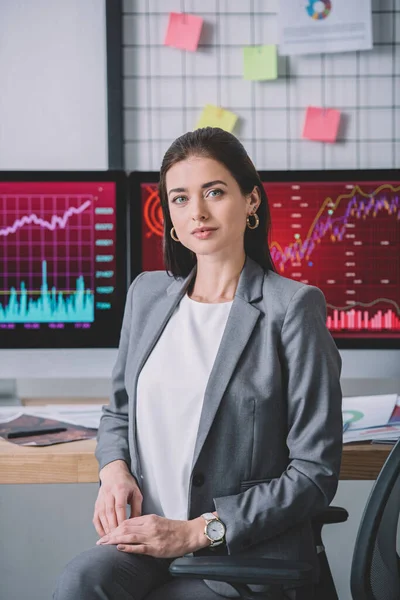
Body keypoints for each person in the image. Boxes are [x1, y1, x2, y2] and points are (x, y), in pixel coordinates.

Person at [53, 127, 343, 600]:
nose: (198, 212)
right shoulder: (146, 295)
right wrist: (114, 470)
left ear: (251, 201)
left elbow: (314, 474)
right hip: (148, 540)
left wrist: (196, 532)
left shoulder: (293, 308)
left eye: (214, 192)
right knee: (80, 582)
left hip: (237, 551)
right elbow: (117, 413)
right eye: (181, 198)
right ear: (168, 214)